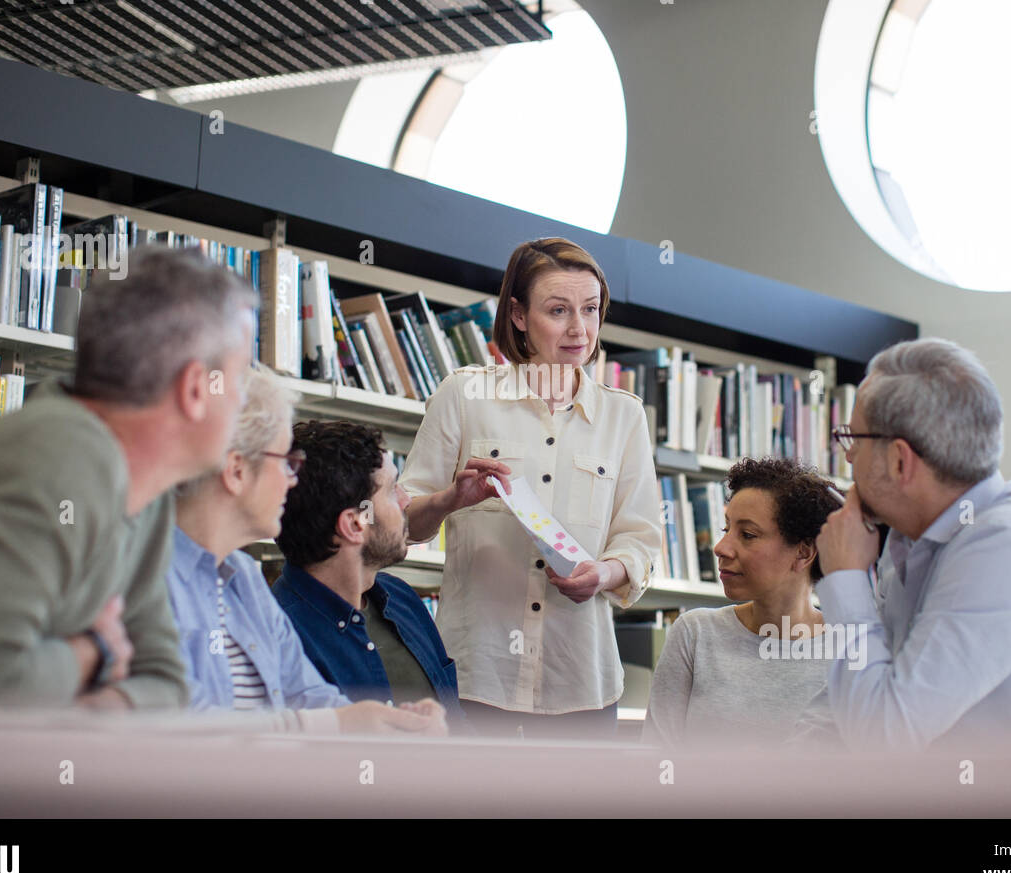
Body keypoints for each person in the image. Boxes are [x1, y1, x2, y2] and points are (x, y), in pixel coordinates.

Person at [0, 247, 257, 709]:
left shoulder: (145, 490)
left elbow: (168, 685)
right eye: (239, 378)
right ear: (195, 389)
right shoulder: (64, 461)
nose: (240, 400)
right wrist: (97, 650)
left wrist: (81, 706)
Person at [811, 337, 1011, 752]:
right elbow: (847, 699)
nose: (848, 458)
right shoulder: (906, 540)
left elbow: (883, 737)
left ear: (900, 461)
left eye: (853, 439)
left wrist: (846, 578)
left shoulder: (1008, 546)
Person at [399, 238, 663, 739]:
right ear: (518, 315)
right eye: (558, 310)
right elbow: (401, 522)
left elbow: (642, 541)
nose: (578, 329)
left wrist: (605, 573)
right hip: (477, 677)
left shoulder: (624, 416)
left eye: (590, 309)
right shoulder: (463, 395)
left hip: (580, 683)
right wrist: (450, 500)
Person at [168, 369, 447, 737]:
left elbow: (308, 694)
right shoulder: (149, 581)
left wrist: (397, 725)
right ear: (236, 470)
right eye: (285, 463)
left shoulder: (243, 577)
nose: (293, 480)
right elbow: (178, 730)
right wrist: (340, 723)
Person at [271, 419, 464, 728]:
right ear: (353, 524)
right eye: (391, 491)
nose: (406, 501)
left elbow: (459, 730)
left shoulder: (402, 600)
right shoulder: (279, 636)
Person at [644, 458, 840, 747]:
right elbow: (657, 762)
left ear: (803, 552)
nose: (720, 548)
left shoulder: (849, 650)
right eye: (726, 530)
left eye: (748, 535)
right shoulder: (694, 634)